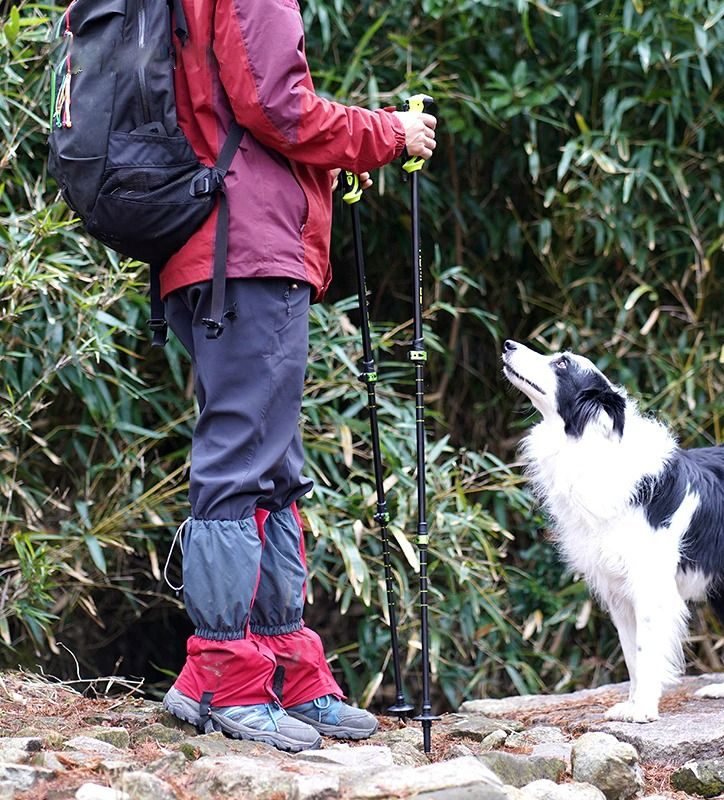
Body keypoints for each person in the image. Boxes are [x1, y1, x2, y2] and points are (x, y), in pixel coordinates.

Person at [159, 0, 437, 752]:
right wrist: (385, 134)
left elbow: (234, 107)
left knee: (274, 465)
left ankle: (280, 666)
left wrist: (333, 156)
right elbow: (278, 107)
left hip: (219, 239)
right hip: (245, 245)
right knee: (242, 461)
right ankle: (224, 672)